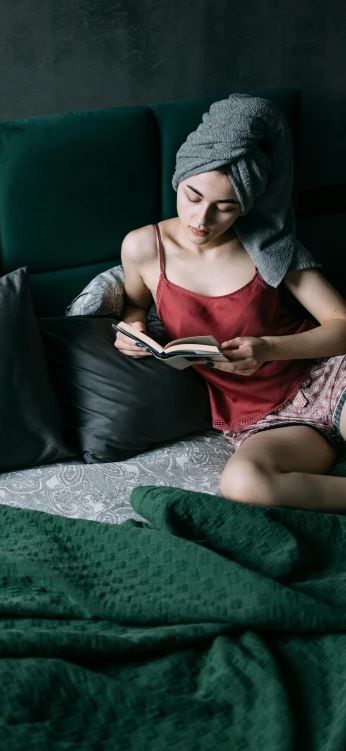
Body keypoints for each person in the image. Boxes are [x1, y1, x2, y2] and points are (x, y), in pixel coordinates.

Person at [114, 167, 346, 514]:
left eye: (225, 206)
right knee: (244, 484)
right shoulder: (144, 247)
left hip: (327, 373)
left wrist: (269, 348)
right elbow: (135, 303)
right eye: (193, 196)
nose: (202, 218)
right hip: (262, 418)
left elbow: (341, 324)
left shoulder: (266, 240)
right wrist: (133, 330)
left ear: (245, 205)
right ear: (177, 182)